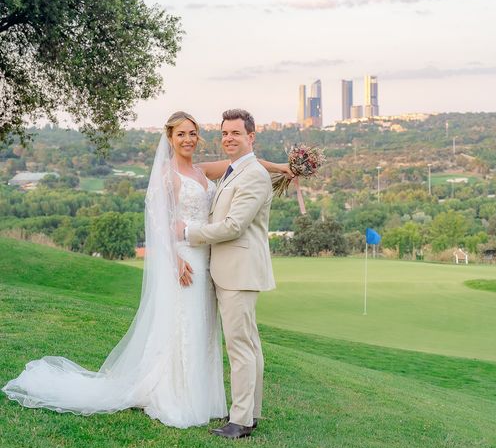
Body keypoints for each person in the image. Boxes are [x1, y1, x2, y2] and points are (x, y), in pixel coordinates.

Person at [2, 111, 290, 429]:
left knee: (203, 329)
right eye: (181, 134)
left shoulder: (201, 170)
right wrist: (176, 258)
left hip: (210, 261)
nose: (188, 139)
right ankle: (175, 394)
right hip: (185, 259)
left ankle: (215, 402)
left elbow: (247, 164)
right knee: (184, 326)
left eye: (193, 133)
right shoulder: (167, 175)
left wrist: (283, 168)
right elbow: (159, 222)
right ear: (169, 138)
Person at [179, 108, 275, 439]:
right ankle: (250, 413)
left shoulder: (254, 174)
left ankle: (241, 421)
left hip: (239, 272)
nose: (229, 138)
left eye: (236, 133)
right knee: (249, 345)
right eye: (224, 133)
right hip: (232, 270)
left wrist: (190, 232)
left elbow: (234, 226)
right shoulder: (236, 170)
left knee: (240, 348)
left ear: (251, 137)